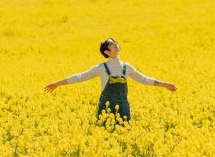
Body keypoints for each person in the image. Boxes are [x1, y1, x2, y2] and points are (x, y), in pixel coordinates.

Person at [44, 37, 178, 123]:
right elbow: (80, 77)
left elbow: (144, 79)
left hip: (123, 105)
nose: (116, 45)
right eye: (113, 45)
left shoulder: (127, 67)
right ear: (107, 52)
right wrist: (57, 84)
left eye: (116, 44)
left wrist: (164, 84)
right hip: (106, 105)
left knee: (126, 130)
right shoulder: (101, 68)